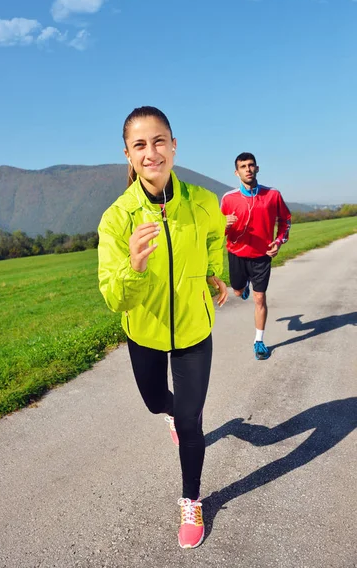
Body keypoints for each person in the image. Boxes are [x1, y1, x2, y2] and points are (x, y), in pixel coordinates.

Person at [98, 106, 228, 549]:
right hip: (146, 333)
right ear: (128, 156)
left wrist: (214, 271)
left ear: (174, 145)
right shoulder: (117, 218)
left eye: (159, 141)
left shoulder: (204, 201)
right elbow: (115, 297)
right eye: (140, 145)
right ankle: (169, 412)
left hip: (194, 330)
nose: (151, 152)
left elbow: (215, 238)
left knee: (191, 423)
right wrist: (133, 266)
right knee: (157, 402)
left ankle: (192, 499)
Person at [221, 152, 291, 360]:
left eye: (251, 165)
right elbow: (217, 230)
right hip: (237, 254)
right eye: (243, 166)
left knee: (260, 298)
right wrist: (223, 224)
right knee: (237, 291)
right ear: (237, 172)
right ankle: (243, 288)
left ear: (257, 168)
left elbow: (285, 221)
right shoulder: (228, 198)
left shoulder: (273, 195)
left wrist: (278, 242)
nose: (248, 169)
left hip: (262, 256)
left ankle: (259, 341)